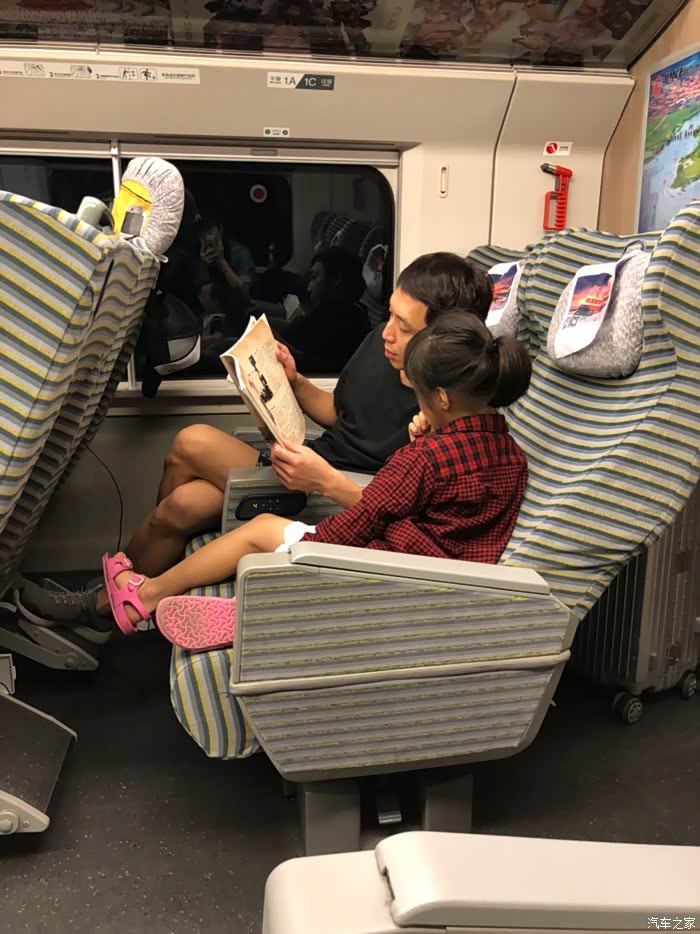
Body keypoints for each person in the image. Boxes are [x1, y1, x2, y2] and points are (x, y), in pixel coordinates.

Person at [17, 253, 494, 639]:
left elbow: (401, 508)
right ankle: (119, 600)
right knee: (183, 505)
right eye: (389, 314)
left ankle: (109, 602)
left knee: (192, 443)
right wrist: (293, 382)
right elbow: (338, 413)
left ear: (442, 338)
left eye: (404, 326)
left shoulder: (442, 405)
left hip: (337, 491)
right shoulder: (381, 343)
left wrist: (323, 479)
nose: (387, 332)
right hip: (319, 462)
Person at [90, 311, 532, 650]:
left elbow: (365, 518)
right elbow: (451, 511)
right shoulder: (512, 456)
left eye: (418, 395)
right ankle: (250, 608)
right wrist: (430, 435)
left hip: (394, 572)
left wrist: (309, 545)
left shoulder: (422, 461)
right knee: (216, 509)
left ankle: (148, 596)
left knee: (262, 531)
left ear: (442, 398)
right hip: (451, 576)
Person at [274, 247, 370, 375]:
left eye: (315, 278)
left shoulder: (344, 323)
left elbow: (309, 364)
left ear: (336, 279)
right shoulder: (331, 313)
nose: (309, 287)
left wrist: (275, 342)